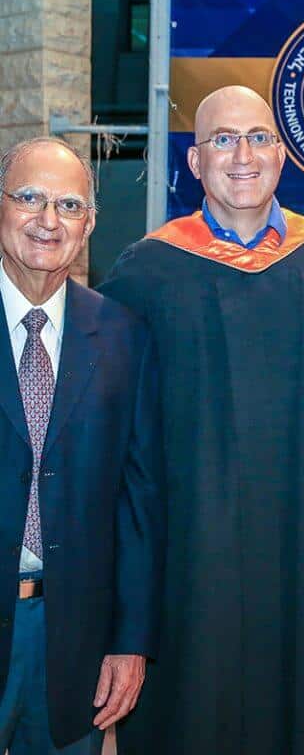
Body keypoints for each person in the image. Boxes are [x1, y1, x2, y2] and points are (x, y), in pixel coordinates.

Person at [98, 86, 304, 755]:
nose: (242, 155)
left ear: (282, 157)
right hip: (185, 582)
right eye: (223, 140)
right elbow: (107, 439)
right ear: (195, 162)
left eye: (258, 137)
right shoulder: (146, 273)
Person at [0, 137, 163, 754]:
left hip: (75, 642)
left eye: (69, 206)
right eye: (29, 198)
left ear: (90, 223)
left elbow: (138, 501)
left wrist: (131, 638)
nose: (48, 220)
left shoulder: (125, 337)